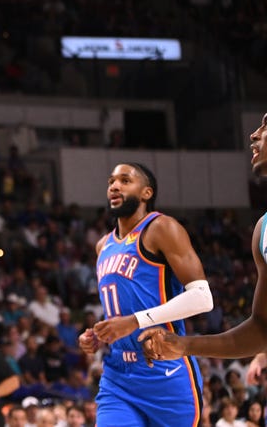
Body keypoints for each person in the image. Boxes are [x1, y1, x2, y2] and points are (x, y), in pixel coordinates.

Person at [78, 163, 212, 426]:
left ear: (146, 193)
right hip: (118, 374)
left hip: (164, 367)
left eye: (125, 180)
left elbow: (202, 297)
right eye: (111, 181)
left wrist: (133, 322)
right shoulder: (103, 245)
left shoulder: (161, 227)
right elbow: (122, 306)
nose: (114, 186)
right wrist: (98, 334)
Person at [142, 114, 267, 364]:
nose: (254, 134)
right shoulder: (263, 230)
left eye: (266, 126)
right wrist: (182, 344)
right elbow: (262, 329)